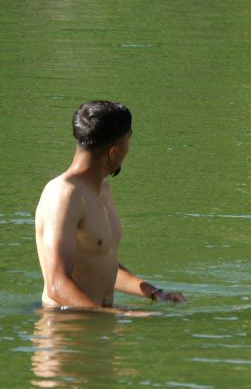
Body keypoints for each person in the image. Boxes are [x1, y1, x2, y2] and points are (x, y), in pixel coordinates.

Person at [35, 100, 186, 310]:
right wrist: (116, 316)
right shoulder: (63, 195)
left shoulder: (103, 190)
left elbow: (101, 262)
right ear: (113, 152)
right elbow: (57, 286)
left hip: (97, 320)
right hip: (64, 324)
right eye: (128, 142)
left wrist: (156, 293)